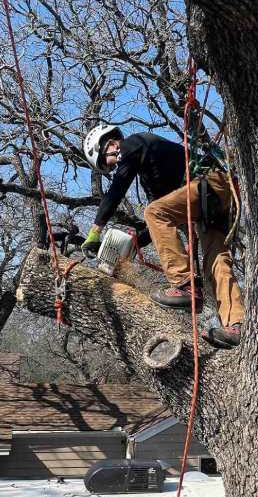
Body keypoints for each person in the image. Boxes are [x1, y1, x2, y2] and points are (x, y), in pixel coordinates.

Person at [81, 124, 244, 348]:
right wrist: (133, 242)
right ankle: (237, 325)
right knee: (215, 263)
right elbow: (158, 224)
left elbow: (118, 188)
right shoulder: (152, 179)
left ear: (108, 144)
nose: (111, 168)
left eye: (105, 163)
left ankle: (184, 284)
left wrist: (95, 231)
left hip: (212, 183)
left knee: (154, 212)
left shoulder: (134, 143)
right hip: (217, 201)